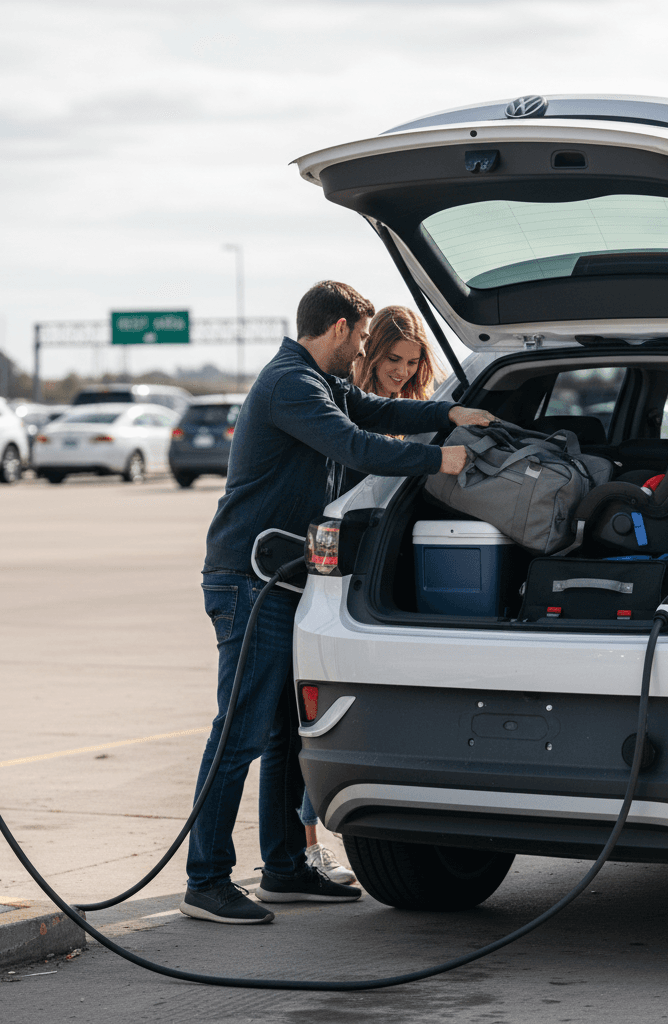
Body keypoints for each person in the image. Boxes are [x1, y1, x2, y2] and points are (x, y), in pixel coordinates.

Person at [180, 281, 495, 925]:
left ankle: (285, 870)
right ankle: (205, 880)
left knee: (282, 734)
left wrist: (447, 414)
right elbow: (355, 445)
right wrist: (440, 458)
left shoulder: (317, 381)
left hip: (281, 578)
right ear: (338, 327)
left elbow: (375, 413)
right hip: (247, 581)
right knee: (238, 732)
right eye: (358, 335)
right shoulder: (290, 385)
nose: (361, 348)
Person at [296, 305, 442, 884]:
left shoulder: (414, 409)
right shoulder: (343, 407)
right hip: (339, 572)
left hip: (390, 570)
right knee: (308, 719)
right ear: (369, 352)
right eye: (392, 360)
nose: (403, 373)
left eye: (412, 363)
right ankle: (305, 846)